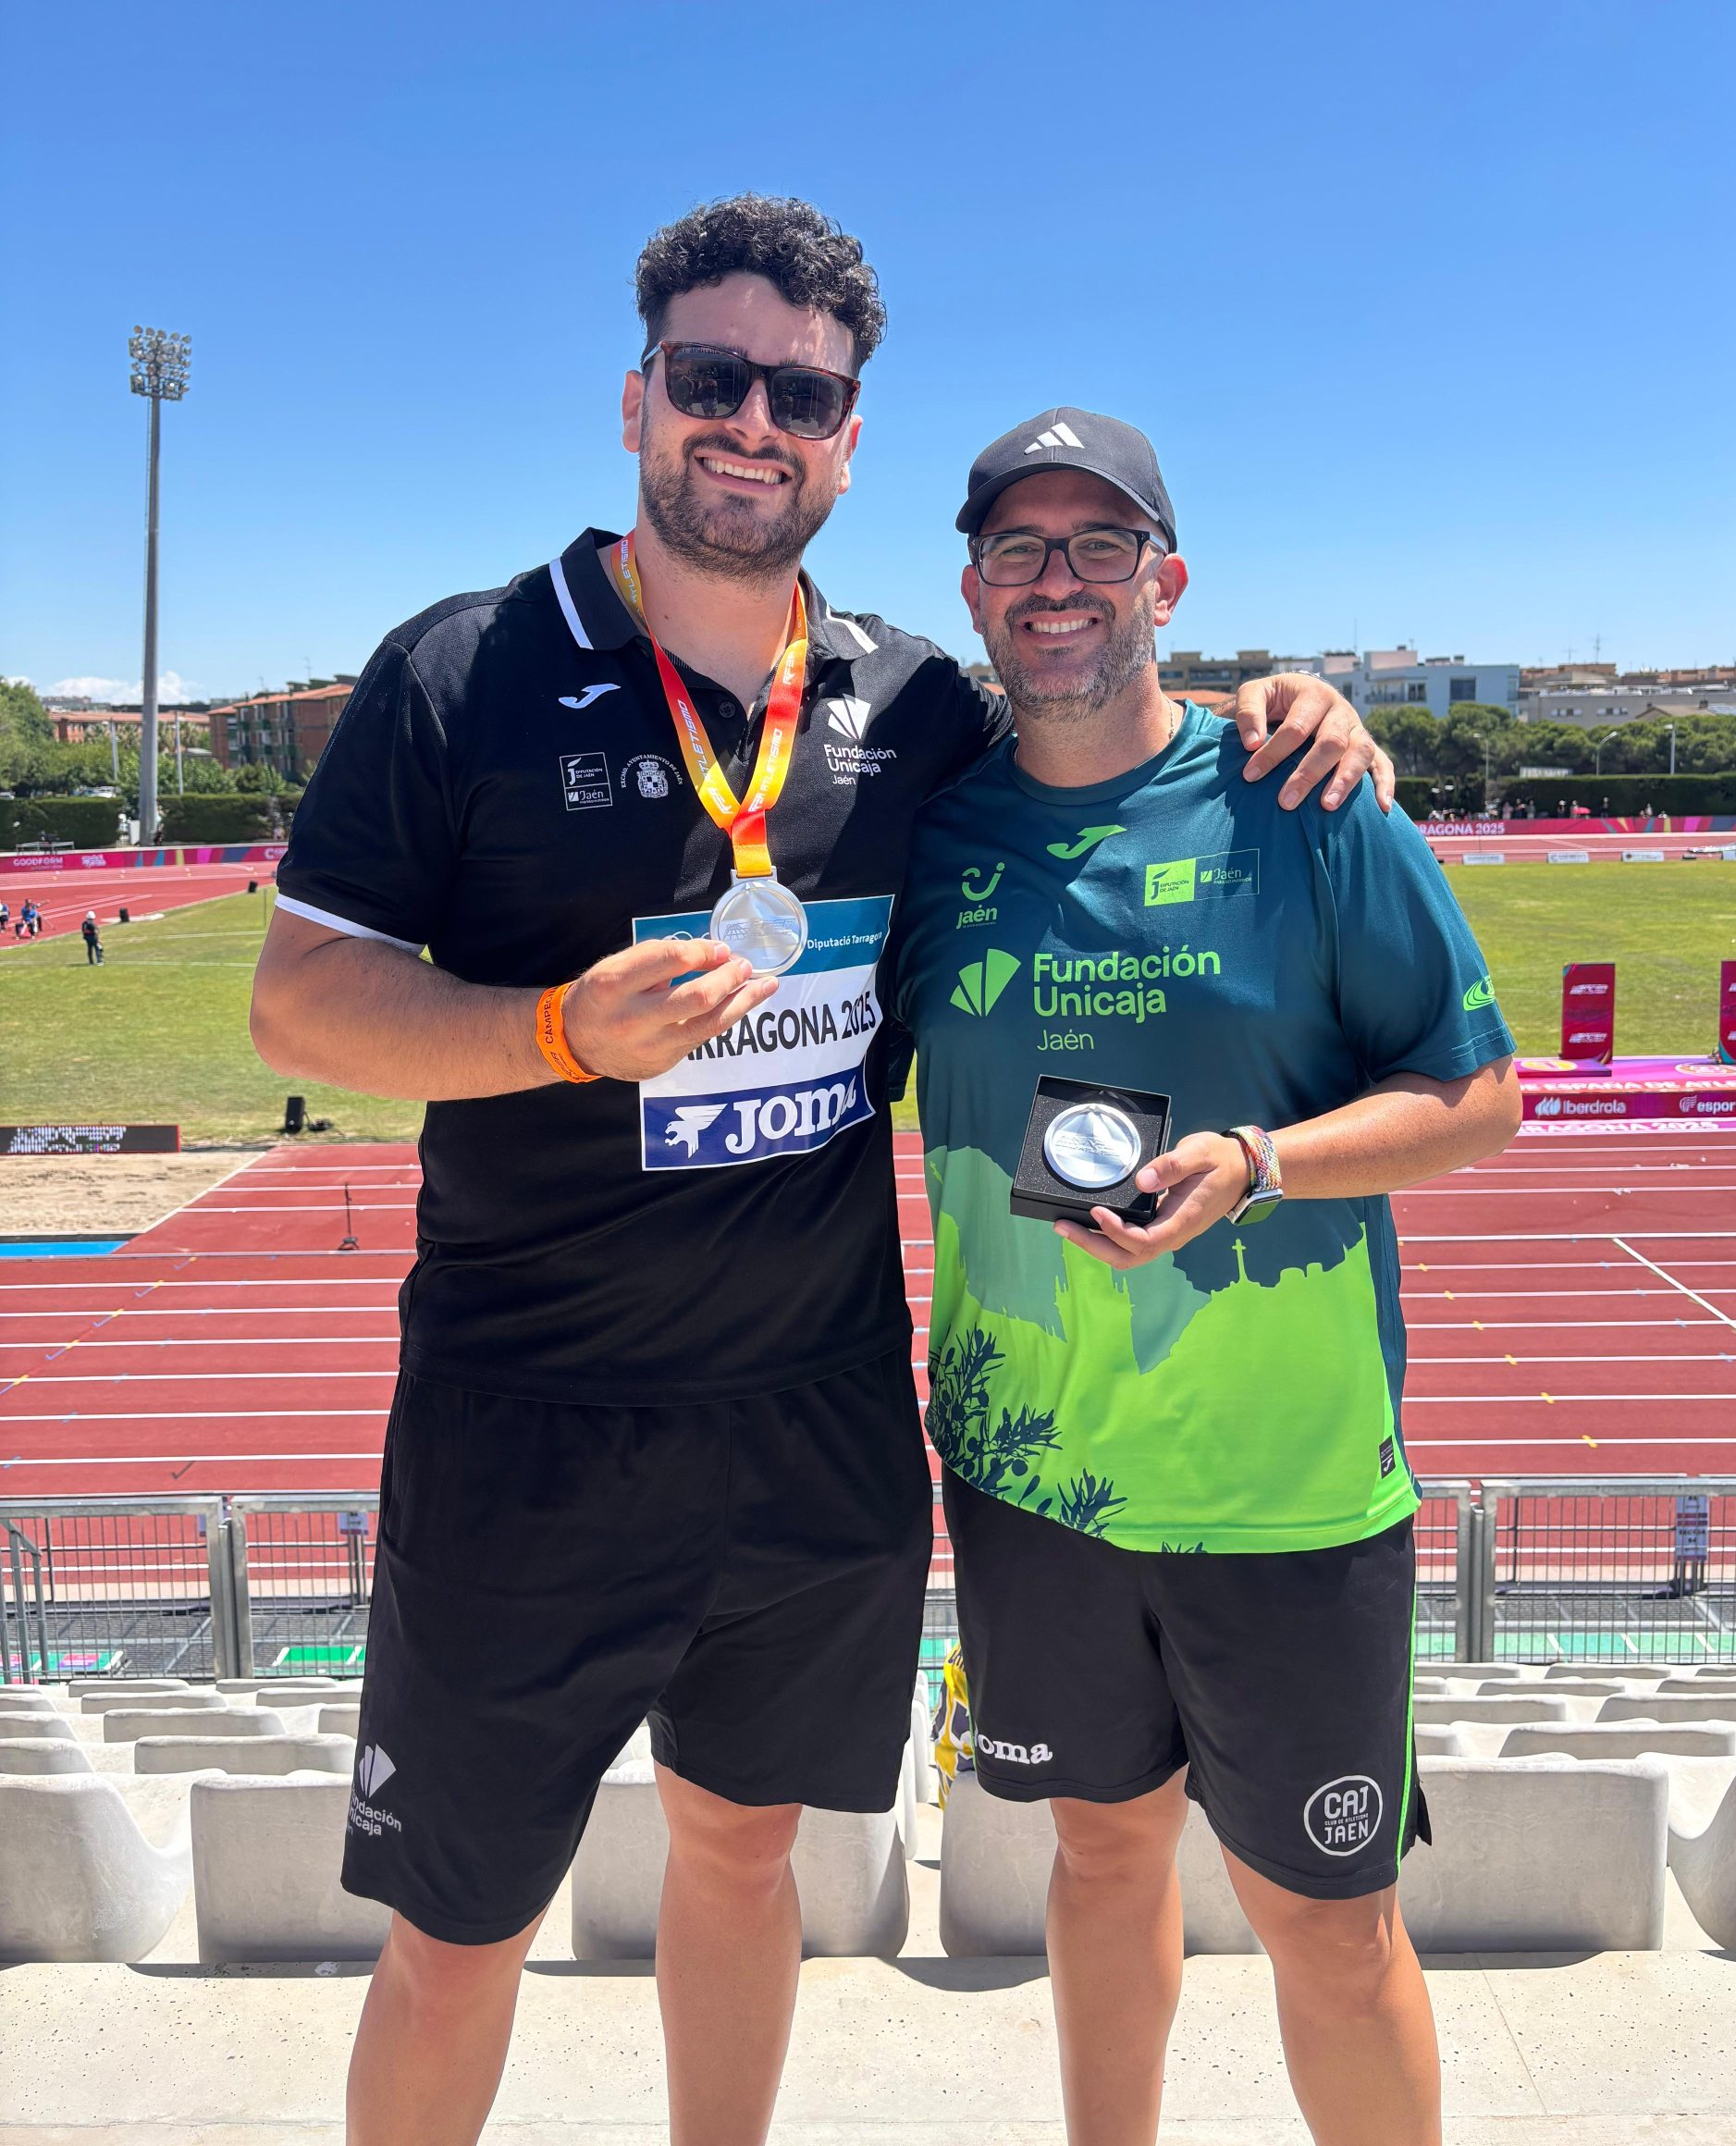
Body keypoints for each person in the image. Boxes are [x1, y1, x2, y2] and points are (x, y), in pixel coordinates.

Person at [249, 196, 1388, 2146]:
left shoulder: (916, 704)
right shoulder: (463, 670)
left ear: (849, 440)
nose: (752, 421)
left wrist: (1281, 706)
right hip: (527, 1419)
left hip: (812, 1422)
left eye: (802, 394)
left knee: (745, 1849)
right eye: (714, 376)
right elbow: (300, 1002)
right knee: (459, 1926)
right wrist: (552, 1031)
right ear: (637, 398)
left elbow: (1106, 731)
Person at [884, 408, 1521, 2146]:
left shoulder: (1304, 799)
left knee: (1333, 1927)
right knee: (1100, 1858)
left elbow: (1481, 1094)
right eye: (1019, 548)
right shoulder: (936, 835)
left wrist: (1264, 1164)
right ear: (973, 588)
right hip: (1035, 1474)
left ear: (1166, 581)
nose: (1058, 579)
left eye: (1100, 544)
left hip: (1284, 1486)